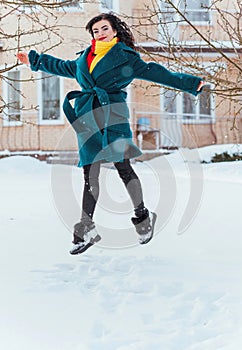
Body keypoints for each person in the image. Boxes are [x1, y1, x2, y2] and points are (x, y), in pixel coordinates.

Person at [17, 12, 205, 255]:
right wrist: (34, 60)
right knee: (90, 172)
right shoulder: (84, 58)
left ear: (115, 30)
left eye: (104, 28)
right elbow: (62, 66)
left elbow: (156, 72)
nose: (100, 33)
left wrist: (189, 83)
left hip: (113, 117)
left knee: (122, 167)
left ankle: (143, 217)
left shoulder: (126, 58)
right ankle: (86, 228)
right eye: (95, 31)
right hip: (88, 119)